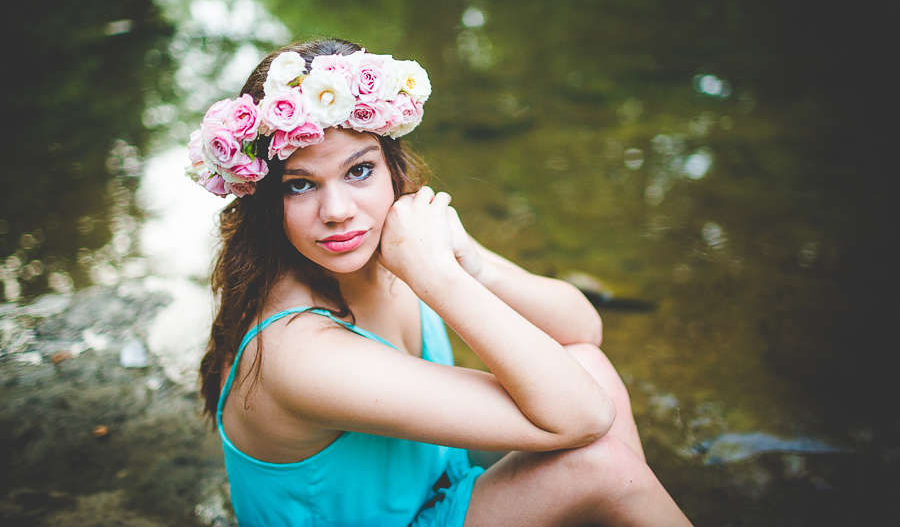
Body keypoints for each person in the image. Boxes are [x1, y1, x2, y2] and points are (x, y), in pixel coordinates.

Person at [190, 38, 692, 527]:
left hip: (435, 501)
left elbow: (583, 328)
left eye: (360, 170)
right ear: (261, 199)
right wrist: (439, 282)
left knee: (587, 366)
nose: (339, 212)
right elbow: (583, 417)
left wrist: (472, 264)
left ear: (392, 167)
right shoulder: (297, 353)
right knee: (602, 467)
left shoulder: (398, 237)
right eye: (300, 184)